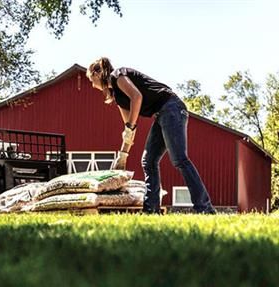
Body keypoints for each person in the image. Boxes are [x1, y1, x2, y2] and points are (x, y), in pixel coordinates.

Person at [86, 57, 216, 214]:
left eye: (91, 79)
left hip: (172, 108)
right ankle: (151, 210)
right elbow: (129, 128)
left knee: (179, 159)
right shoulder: (118, 97)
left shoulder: (117, 75)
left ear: (97, 74)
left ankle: (205, 208)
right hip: (162, 114)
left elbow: (137, 97)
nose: (92, 84)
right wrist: (123, 155)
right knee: (148, 161)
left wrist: (130, 126)